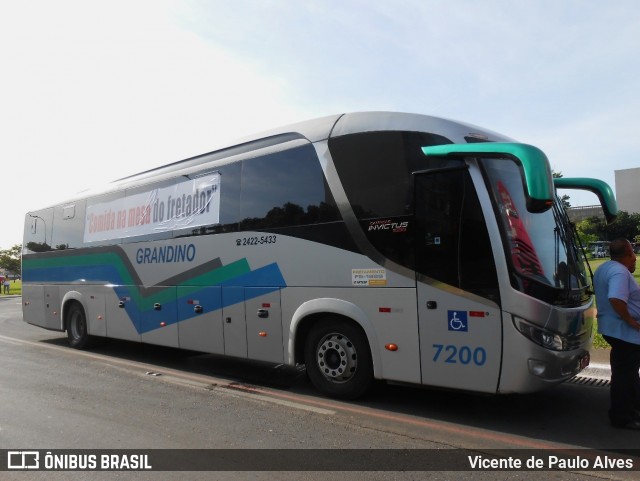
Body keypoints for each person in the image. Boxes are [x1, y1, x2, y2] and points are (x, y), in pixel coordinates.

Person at [594, 238, 640, 430]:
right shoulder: (620, 272)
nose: (635, 259)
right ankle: (622, 417)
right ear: (628, 253)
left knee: (625, 374)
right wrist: (631, 321)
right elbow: (615, 297)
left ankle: (631, 410)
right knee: (625, 376)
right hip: (624, 332)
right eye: (633, 255)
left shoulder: (604, 268)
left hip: (613, 330)